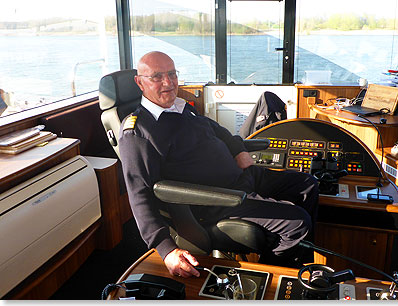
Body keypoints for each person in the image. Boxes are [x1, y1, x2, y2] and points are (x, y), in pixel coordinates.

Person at [119, 51, 318, 278]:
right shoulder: (138, 132)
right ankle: (277, 280)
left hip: (243, 177)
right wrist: (166, 249)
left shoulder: (181, 107)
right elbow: (139, 195)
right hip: (220, 199)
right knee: (298, 223)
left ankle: (295, 259)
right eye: (157, 77)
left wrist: (238, 149)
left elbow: (217, 131)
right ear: (139, 82)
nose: (168, 82)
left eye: (172, 74)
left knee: (308, 184)